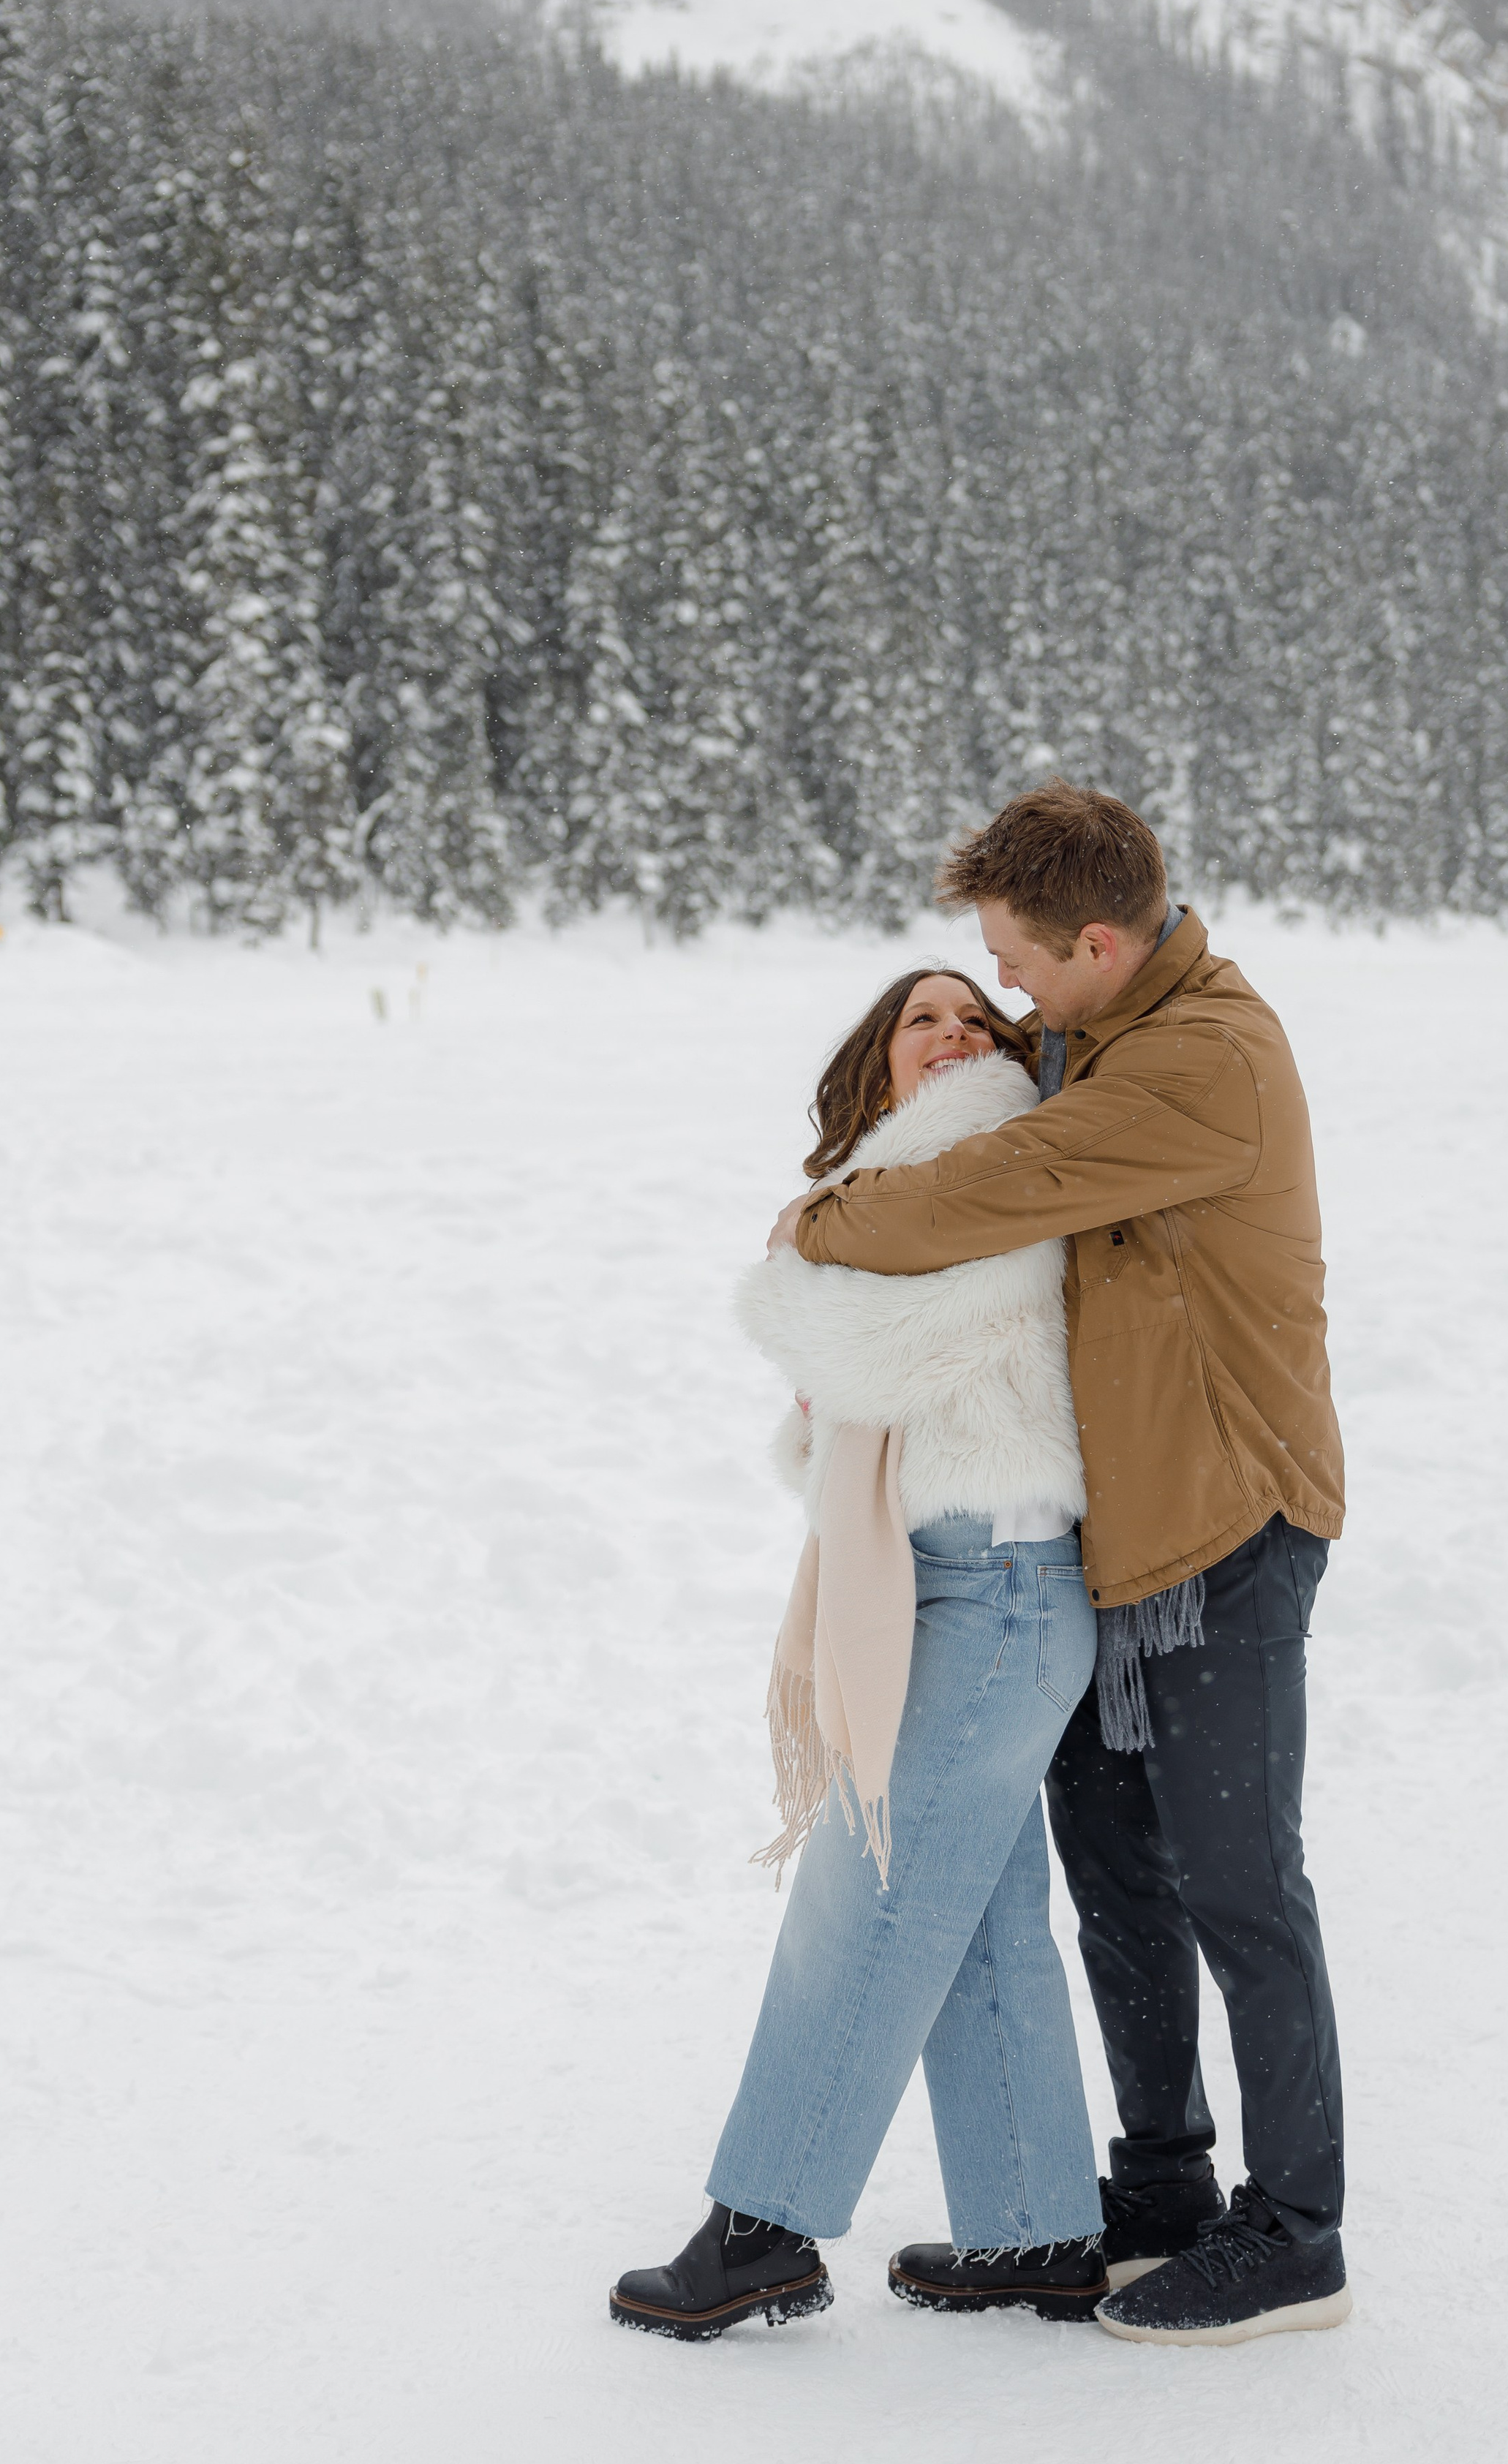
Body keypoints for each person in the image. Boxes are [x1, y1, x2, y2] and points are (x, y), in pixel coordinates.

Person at [769, 782, 1351, 2348]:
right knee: (1116, 1886)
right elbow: (956, 1096)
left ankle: (1296, 2235)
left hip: (1224, 1529)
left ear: (1096, 941)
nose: (1003, 995)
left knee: (1238, 1885)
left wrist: (819, 1227)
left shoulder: (1197, 1061)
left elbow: (989, 1188)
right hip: (1115, 1544)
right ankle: (1156, 2193)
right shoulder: (1093, 1032)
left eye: (1016, 964)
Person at [610, 968, 1111, 2342]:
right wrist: (825, 1293)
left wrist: (797, 1263)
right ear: (878, 1061)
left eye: (976, 1015)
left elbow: (879, 1357)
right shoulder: (901, 1193)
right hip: (959, 1578)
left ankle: (763, 2228)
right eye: (923, 1020)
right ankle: (1040, 2229)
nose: (957, 1037)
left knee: (867, 1895)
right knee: (976, 1921)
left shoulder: (999, 1161)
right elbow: (844, 1410)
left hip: (998, 1588)